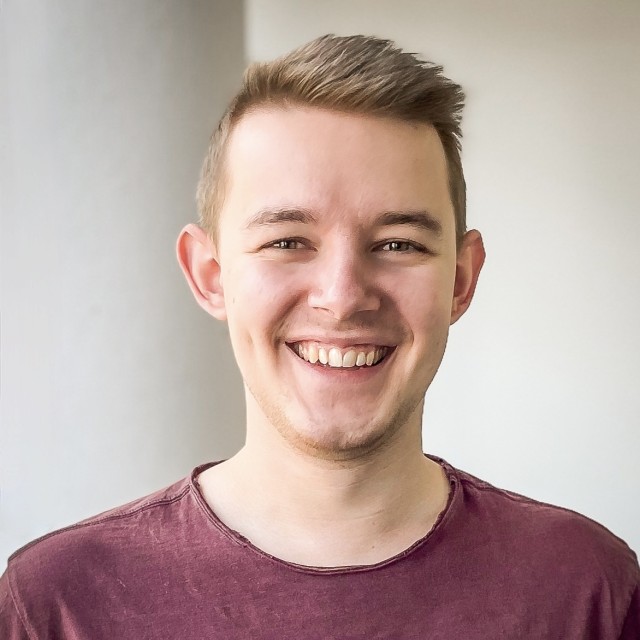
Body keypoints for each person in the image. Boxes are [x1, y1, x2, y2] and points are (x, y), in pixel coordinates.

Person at [1, 34, 638, 639]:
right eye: (287, 242)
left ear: (460, 280)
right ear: (211, 275)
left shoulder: (587, 590)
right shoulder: (56, 606)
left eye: (398, 244)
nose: (342, 295)